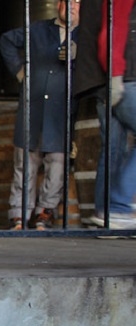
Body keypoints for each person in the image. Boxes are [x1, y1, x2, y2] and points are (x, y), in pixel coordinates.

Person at [0, 0, 80, 230]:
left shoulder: (85, 36)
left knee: (57, 162)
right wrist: (20, 71)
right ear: (58, 4)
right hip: (33, 106)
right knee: (26, 160)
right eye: (67, 1)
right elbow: (6, 40)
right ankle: (19, 213)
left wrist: (80, 55)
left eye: (77, 1)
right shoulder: (38, 29)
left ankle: (45, 212)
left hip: (62, 109)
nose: (72, 5)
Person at [87, 0, 136, 229]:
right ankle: (118, 206)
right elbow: (113, 30)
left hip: (116, 80)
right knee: (114, 149)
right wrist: (115, 74)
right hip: (125, 81)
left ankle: (108, 212)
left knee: (114, 149)